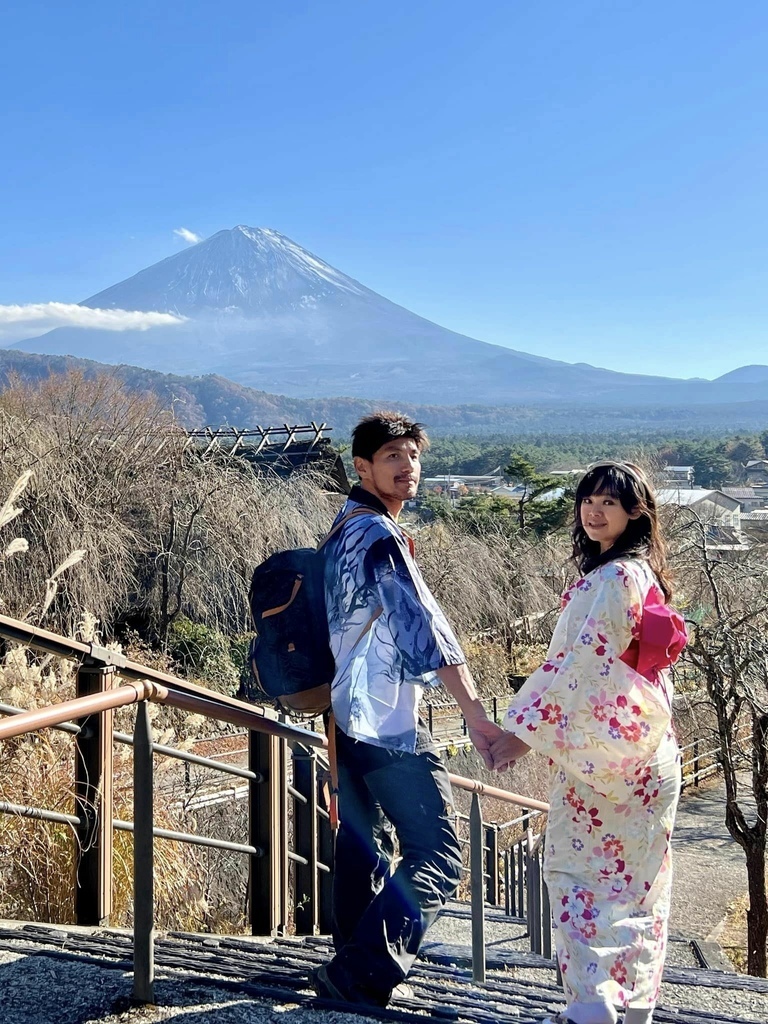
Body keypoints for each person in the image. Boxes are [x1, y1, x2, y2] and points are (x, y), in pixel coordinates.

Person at [311, 410, 498, 1007]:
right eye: (392, 456)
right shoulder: (380, 537)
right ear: (361, 466)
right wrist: (473, 711)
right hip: (388, 721)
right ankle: (360, 974)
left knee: (362, 848)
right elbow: (425, 630)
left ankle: (349, 964)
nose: (407, 467)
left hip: (345, 717)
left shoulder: (343, 526)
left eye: (413, 455)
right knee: (438, 856)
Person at [489, 462, 687, 1024]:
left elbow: (581, 669)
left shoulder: (613, 578)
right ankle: (634, 1006)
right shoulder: (642, 573)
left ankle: (590, 1008)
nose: (595, 510)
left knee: (578, 878)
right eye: (589, 499)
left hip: (606, 761)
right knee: (640, 885)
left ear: (635, 513)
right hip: (649, 750)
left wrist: (521, 734)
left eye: (610, 502)